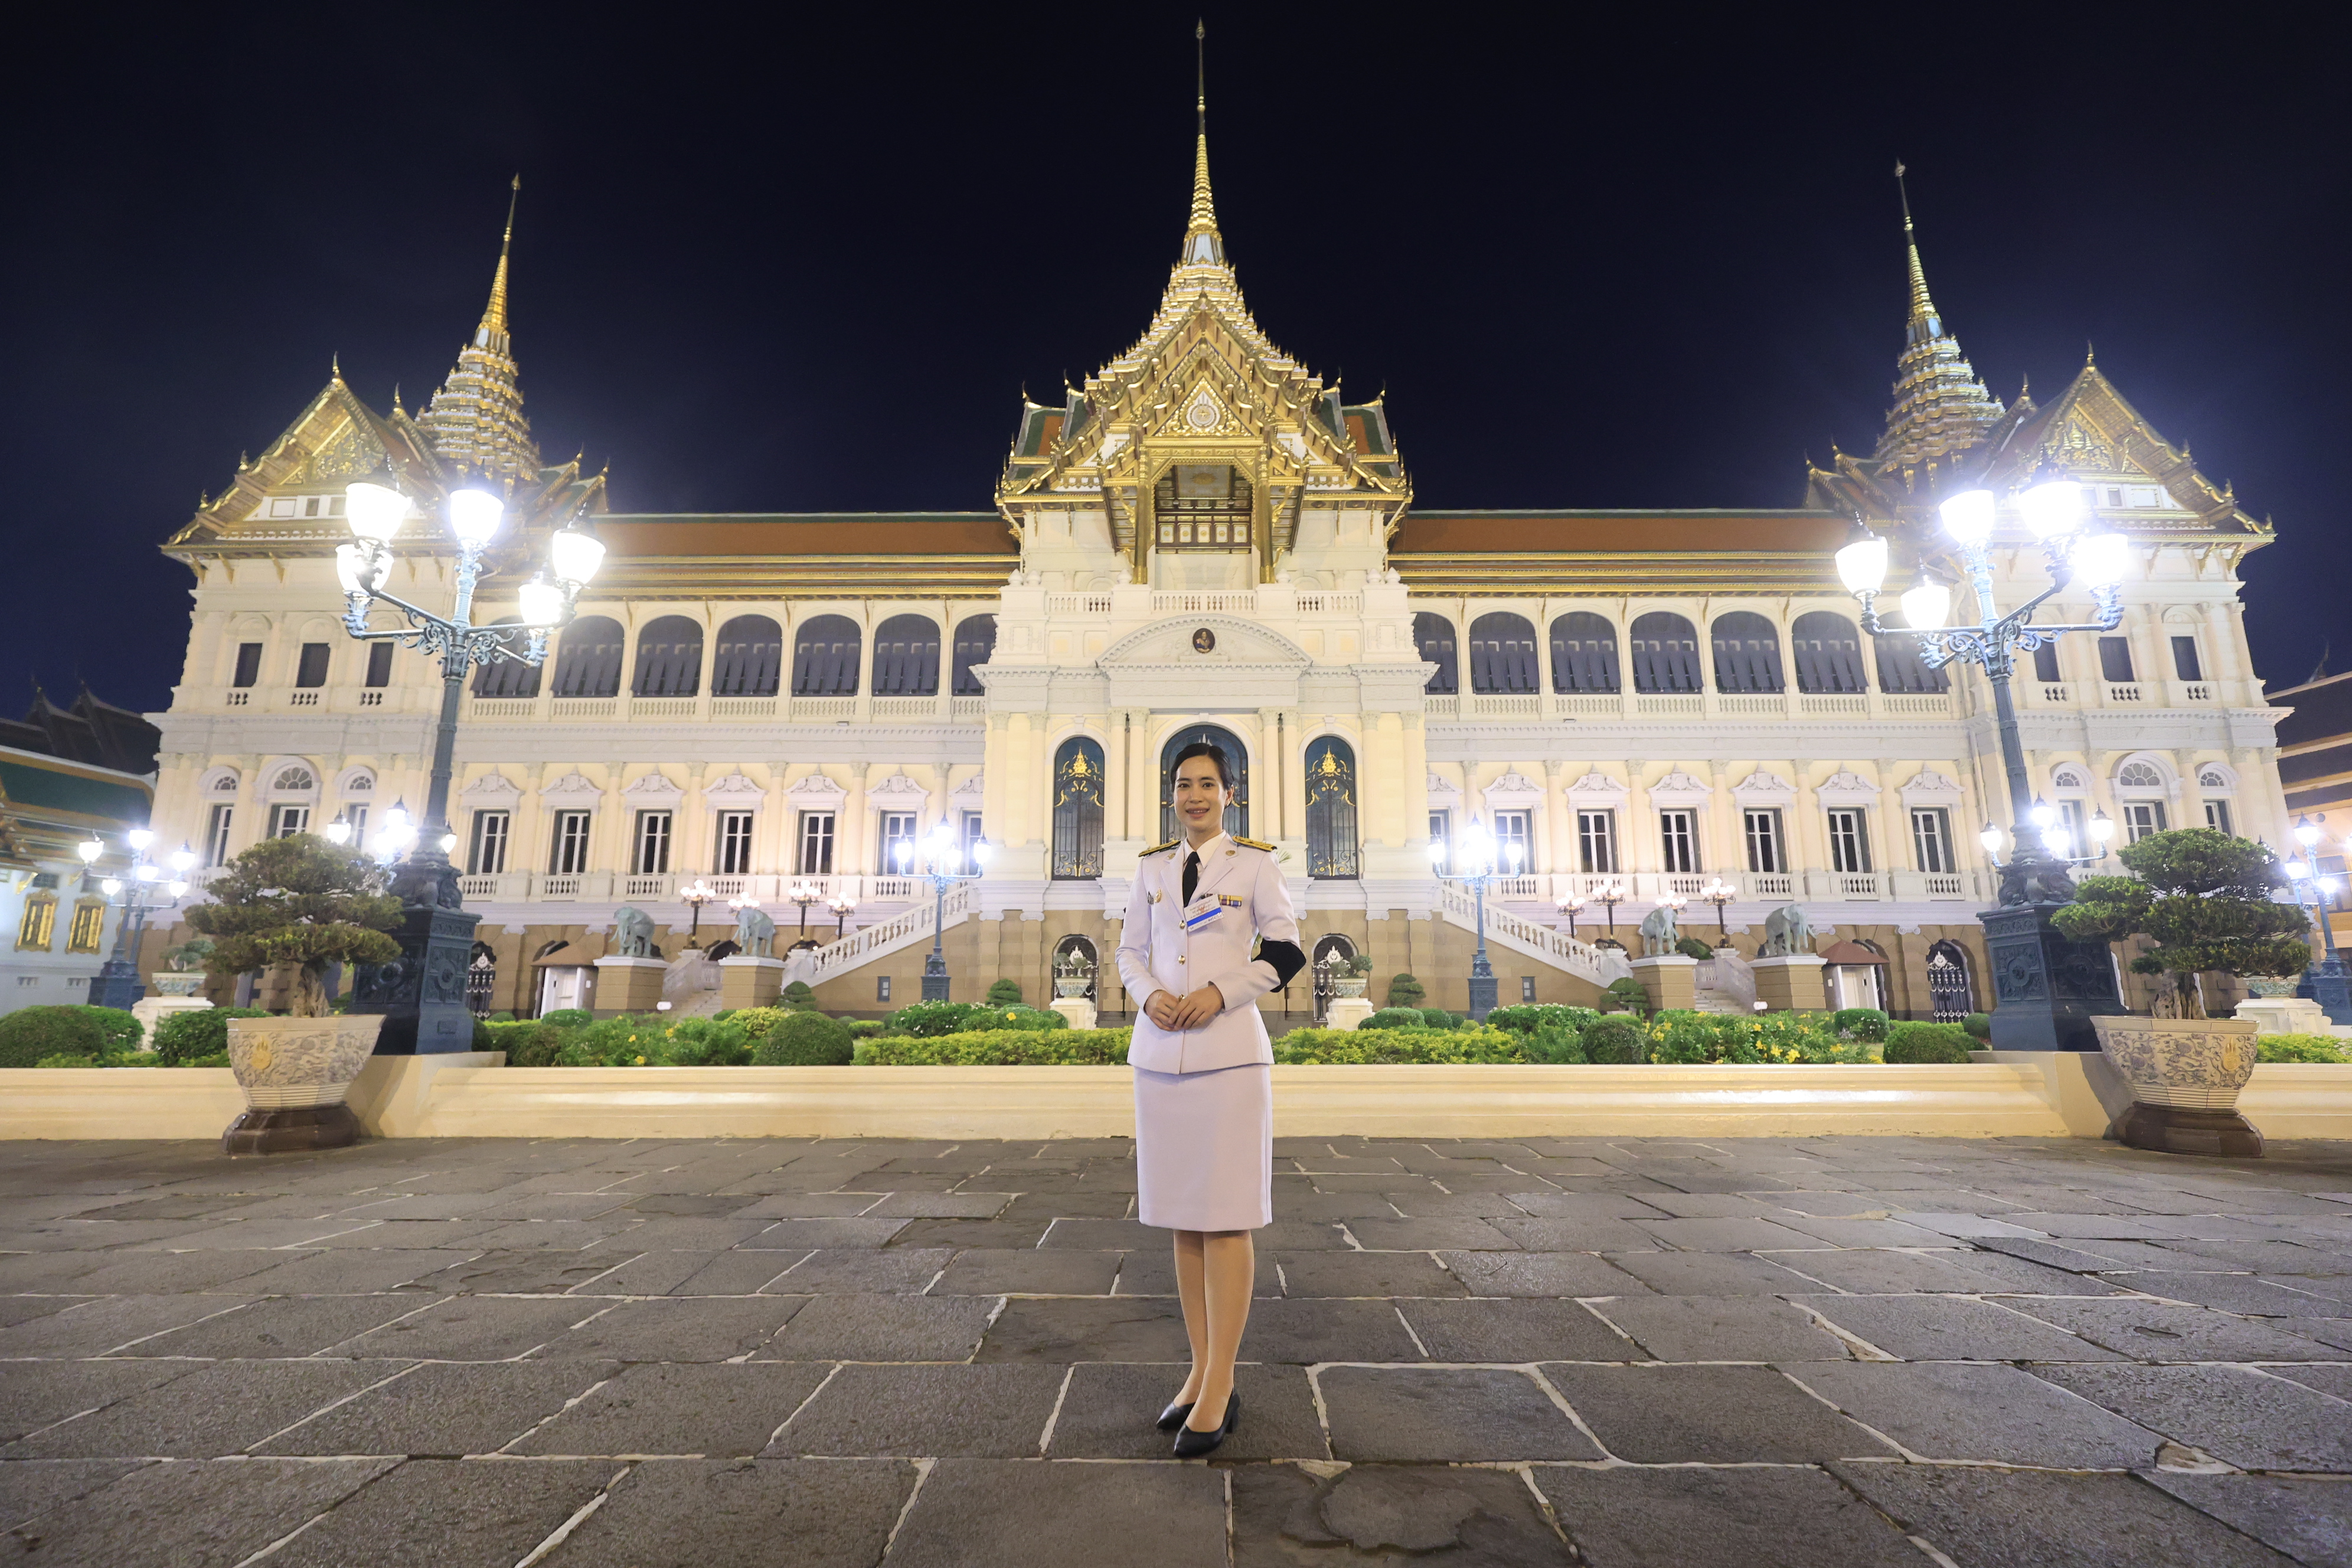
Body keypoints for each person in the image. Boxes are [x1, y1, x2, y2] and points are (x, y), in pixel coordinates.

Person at [1118, 740, 1304, 1457]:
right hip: (1161, 1056)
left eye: (1207, 784)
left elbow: (1285, 951)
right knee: (1184, 1222)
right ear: (1173, 794)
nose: (1193, 795)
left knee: (1225, 1220)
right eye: (1183, 784)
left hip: (1228, 1057)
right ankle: (1199, 1369)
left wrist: (1220, 993)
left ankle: (1222, 1381)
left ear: (1230, 793)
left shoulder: (1254, 865)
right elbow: (1130, 951)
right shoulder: (1152, 868)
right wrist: (1150, 996)